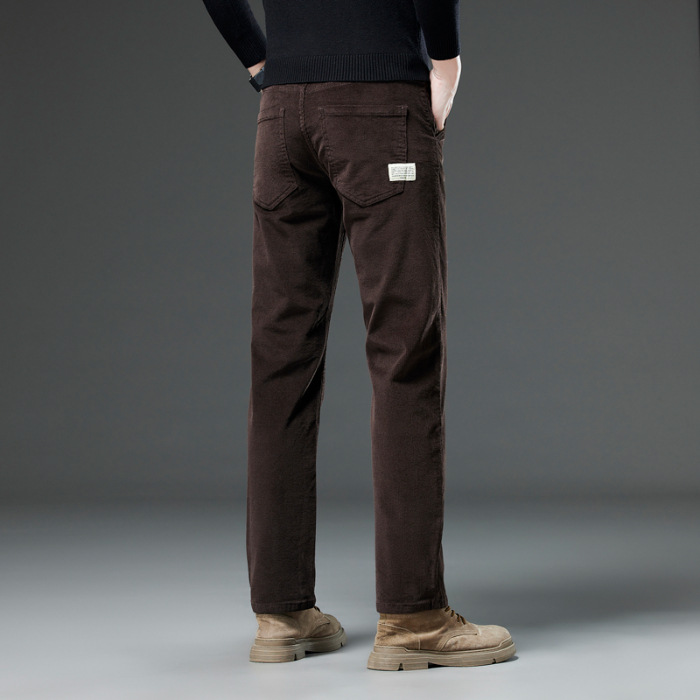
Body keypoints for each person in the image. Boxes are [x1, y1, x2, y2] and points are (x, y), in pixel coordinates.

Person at [200, 0, 516, 671]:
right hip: (379, 106)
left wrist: (260, 59)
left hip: (282, 114)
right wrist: (446, 60)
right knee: (405, 352)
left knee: (280, 360)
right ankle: (414, 616)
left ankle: (281, 613)